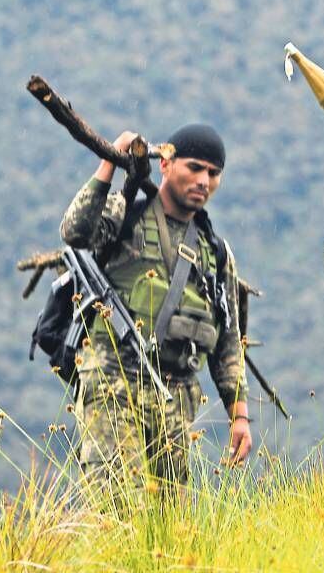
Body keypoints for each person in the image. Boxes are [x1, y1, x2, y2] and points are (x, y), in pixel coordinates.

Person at [60, 123, 251, 490]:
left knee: (169, 525)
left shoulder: (215, 252)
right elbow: (75, 231)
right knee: (119, 507)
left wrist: (238, 416)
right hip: (114, 383)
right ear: (166, 165)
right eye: (194, 168)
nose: (203, 181)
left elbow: (228, 338)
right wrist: (110, 161)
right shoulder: (126, 215)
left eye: (213, 174)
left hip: (176, 396)